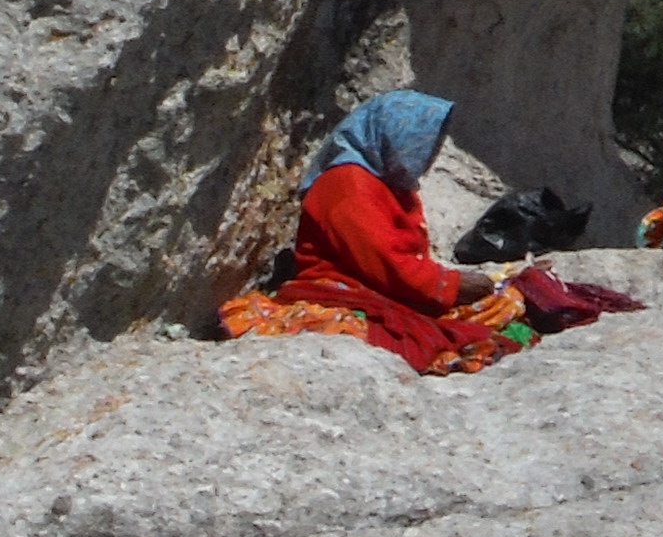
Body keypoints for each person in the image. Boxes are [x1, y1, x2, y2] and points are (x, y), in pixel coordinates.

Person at [219, 90, 535, 374]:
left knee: (507, 302)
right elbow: (384, 263)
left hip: (391, 289)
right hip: (350, 289)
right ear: (391, 136)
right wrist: (452, 284)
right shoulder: (347, 185)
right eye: (421, 142)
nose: (430, 153)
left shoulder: (394, 187)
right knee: (421, 336)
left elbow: (407, 256)